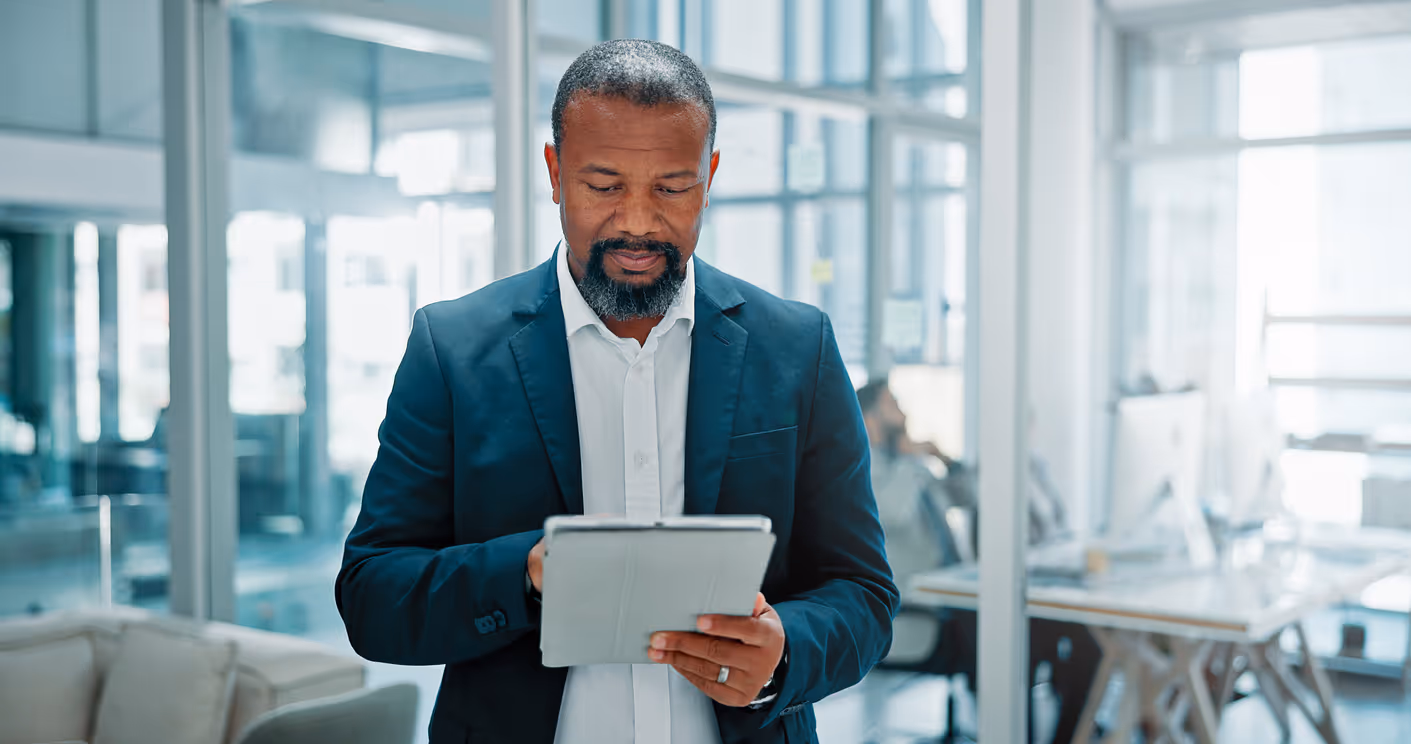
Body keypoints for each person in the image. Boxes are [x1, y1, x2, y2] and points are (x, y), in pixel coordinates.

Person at [336, 39, 898, 744]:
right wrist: (528, 573)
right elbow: (372, 596)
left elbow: (865, 595)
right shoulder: (450, 350)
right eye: (604, 186)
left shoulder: (797, 347)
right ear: (554, 172)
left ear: (709, 176)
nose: (637, 220)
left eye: (671, 187)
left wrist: (785, 651)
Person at [856, 378, 1100, 744]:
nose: (903, 412)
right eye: (893, 404)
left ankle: (1063, 733)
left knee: (1075, 636)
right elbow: (894, 512)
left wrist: (943, 460)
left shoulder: (913, 470)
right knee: (1019, 642)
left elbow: (970, 495)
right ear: (870, 418)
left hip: (957, 605)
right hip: (921, 614)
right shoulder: (864, 469)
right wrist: (913, 461)